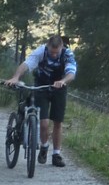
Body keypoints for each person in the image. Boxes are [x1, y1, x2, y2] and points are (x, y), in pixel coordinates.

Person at [5, 34, 77, 168]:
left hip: (59, 87)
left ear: (62, 48)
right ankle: (44, 147)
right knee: (43, 123)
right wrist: (15, 77)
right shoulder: (41, 51)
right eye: (51, 52)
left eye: (57, 52)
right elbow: (27, 64)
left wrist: (62, 81)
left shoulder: (67, 54)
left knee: (57, 122)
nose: (54, 55)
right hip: (41, 86)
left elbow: (71, 72)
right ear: (47, 47)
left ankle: (56, 154)